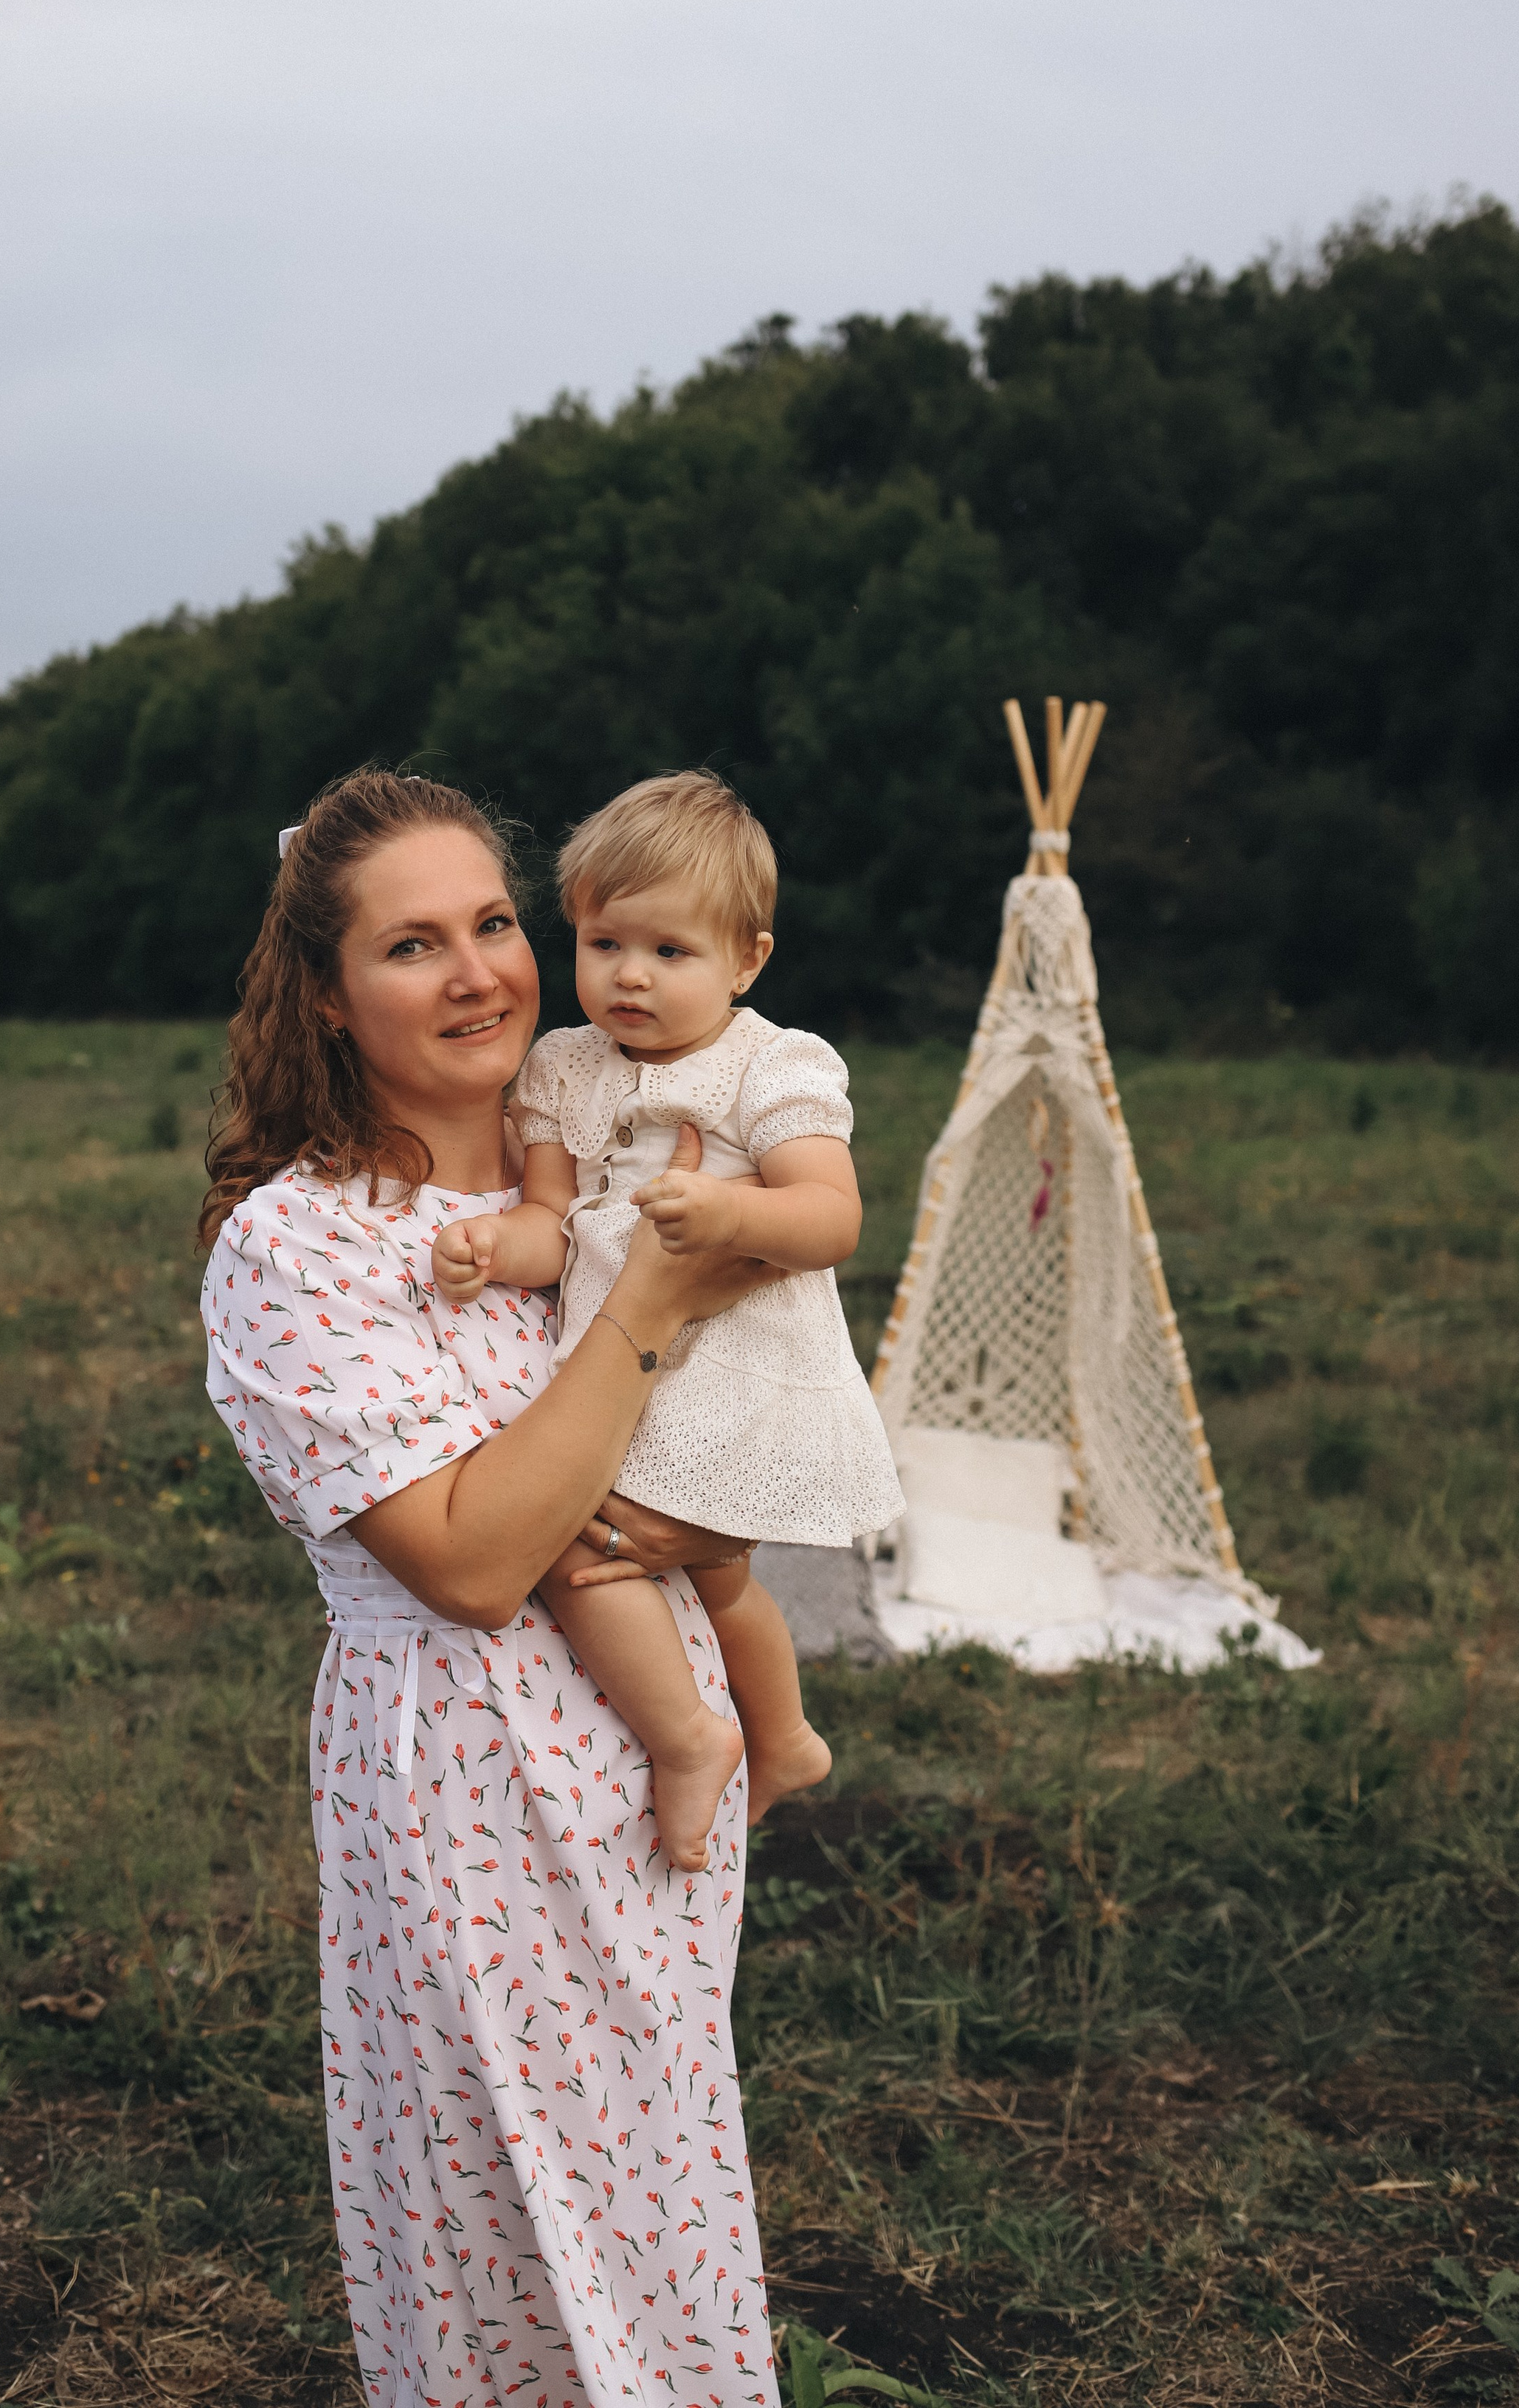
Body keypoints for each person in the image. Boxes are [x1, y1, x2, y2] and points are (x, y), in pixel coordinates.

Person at [198, 766, 783, 2408]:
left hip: (660, 1770)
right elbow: (469, 1561)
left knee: (660, 2191)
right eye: (411, 946)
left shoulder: (606, 1164)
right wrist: (653, 1301)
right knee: (501, 2216)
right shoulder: (301, 1247)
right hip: (466, 1788)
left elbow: (747, 1422)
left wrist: (716, 1539)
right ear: (326, 995)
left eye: (494, 924)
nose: (477, 975)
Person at [429, 772, 902, 1873]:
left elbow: (832, 1218)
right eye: (604, 944)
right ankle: (784, 1738)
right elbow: (554, 1223)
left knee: (578, 1549)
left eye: (669, 951)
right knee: (713, 1577)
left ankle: (693, 1737)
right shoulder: (563, 1067)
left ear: (747, 961)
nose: (630, 975)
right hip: (622, 1362)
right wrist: (494, 1247)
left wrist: (731, 1212)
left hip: (732, 1368)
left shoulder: (769, 1066)